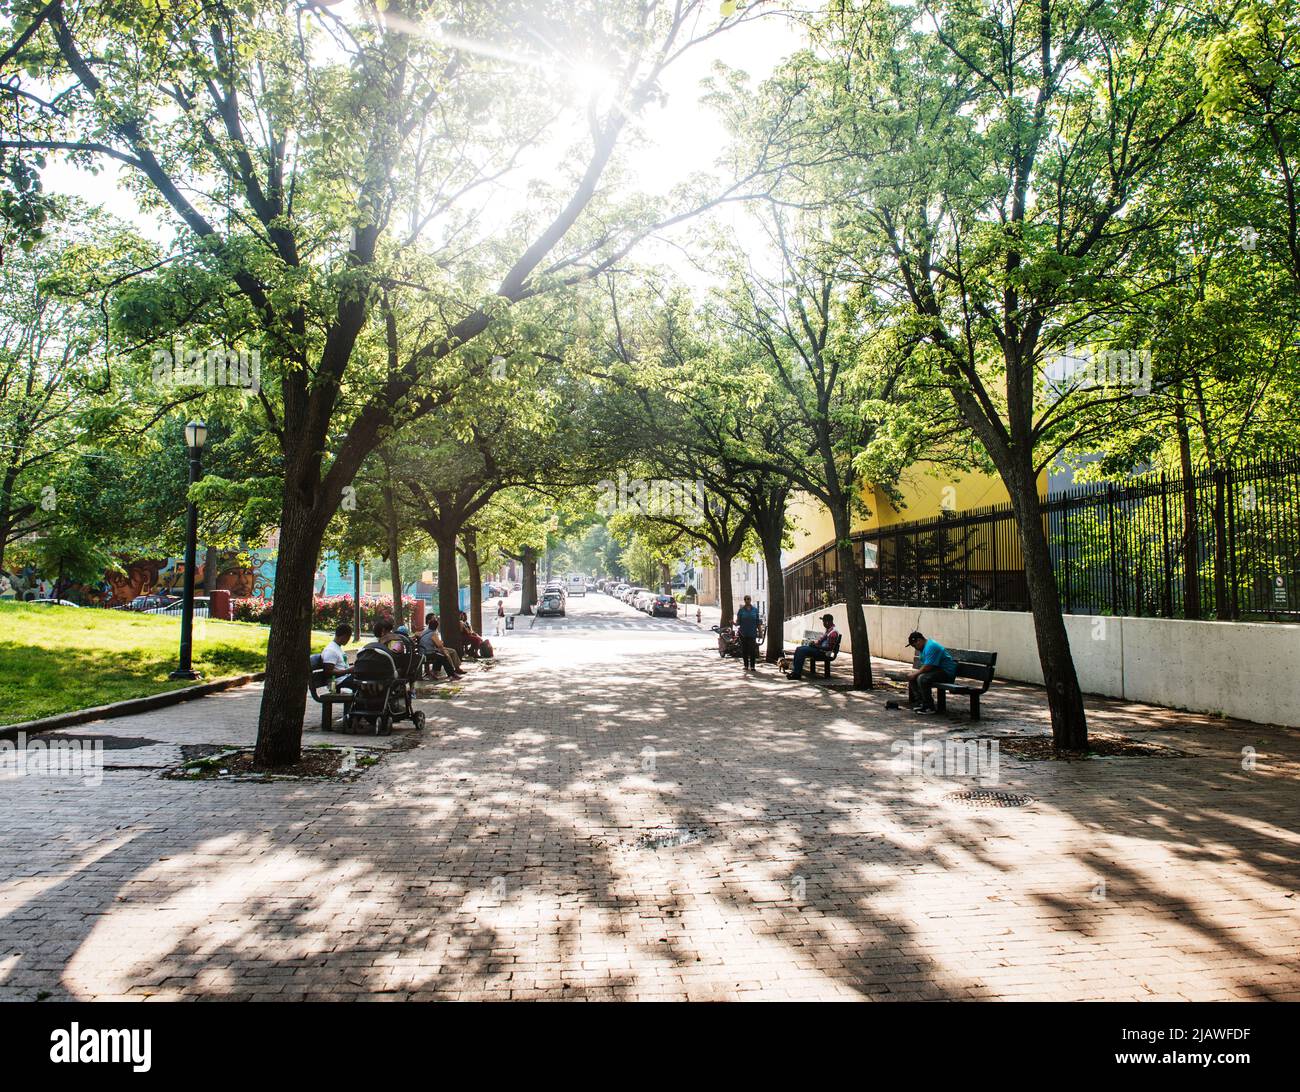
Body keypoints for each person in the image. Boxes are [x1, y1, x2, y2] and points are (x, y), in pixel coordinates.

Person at [906, 630, 958, 713]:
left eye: (914, 645)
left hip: (946, 673)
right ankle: (921, 703)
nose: (915, 648)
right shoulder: (924, 648)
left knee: (922, 678)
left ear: (919, 640)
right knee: (914, 677)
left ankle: (929, 707)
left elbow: (928, 666)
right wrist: (914, 675)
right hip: (937, 670)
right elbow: (927, 666)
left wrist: (915, 673)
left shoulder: (931, 646)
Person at [787, 614, 839, 680]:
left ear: (827, 622)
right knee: (799, 648)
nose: (823, 624)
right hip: (819, 650)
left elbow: (829, 648)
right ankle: (795, 671)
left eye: (823, 622)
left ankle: (797, 673)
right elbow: (821, 641)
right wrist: (814, 643)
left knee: (802, 650)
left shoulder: (833, 633)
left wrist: (817, 646)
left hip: (823, 653)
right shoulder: (829, 630)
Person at [320, 623, 353, 693]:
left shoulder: (337, 648)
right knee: (362, 682)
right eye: (348, 638)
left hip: (344, 679)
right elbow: (328, 672)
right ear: (343, 636)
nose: (348, 640)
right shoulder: (331, 650)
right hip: (337, 683)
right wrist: (348, 671)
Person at [736, 594, 761, 672]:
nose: (747, 600)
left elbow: (758, 622)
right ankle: (746, 665)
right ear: (744, 600)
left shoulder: (755, 610)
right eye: (746, 599)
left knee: (752, 650)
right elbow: (738, 622)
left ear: (750, 600)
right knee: (744, 650)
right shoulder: (741, 610)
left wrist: (760, 632)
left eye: (749, 599)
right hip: (743, 633)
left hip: (752, 633)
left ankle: (753, 666)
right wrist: (734, 622)